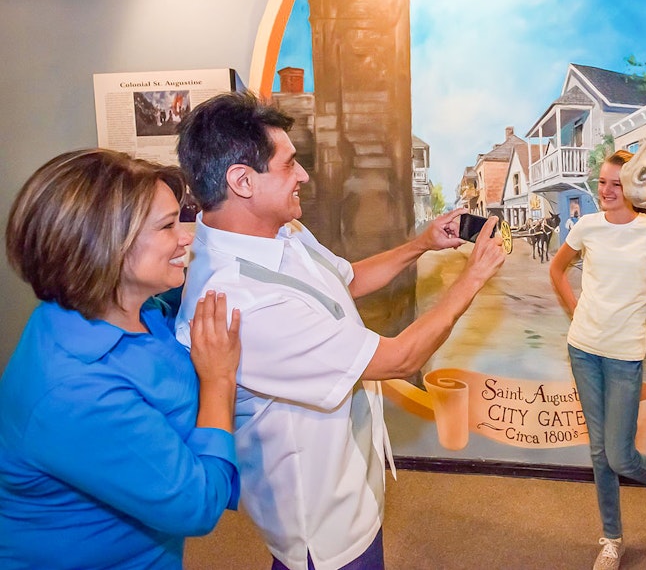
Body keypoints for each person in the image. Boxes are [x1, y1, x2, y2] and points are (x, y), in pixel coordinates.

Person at [173, 92, 505, 570]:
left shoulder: (280, 230)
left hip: (347, 481)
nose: (303, 176)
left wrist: (421, 245)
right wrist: (472, 277)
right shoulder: (242, 300)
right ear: (242, 182)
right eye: (289, 165)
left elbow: (346, 278)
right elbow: (400, 358)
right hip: (323, 526)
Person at [0, 149, 241, 570]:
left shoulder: (133, 306)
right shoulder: (77, 390)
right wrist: (219, 380)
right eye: (168, 226)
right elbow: (197, 505)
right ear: (103, 246)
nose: (187, 236)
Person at [549, 150, 646, 570]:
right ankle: (612, 538)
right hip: (583, 349)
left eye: (617, 184)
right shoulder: (587, 227)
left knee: (621, 456)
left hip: (625, 355)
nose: (607, 191)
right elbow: (557, 271)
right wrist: (577, 311)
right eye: (602, 183)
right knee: (599, 453)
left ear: (632, 188)